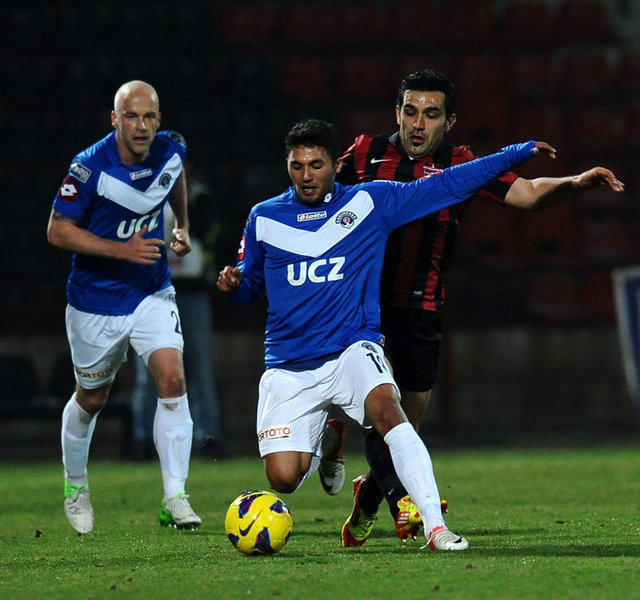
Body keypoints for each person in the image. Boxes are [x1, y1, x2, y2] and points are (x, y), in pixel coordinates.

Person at [216, 118, 578, 551]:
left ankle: (436, 529)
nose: (306, 175)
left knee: (389, 411)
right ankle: (327, 439)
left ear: (336, 165)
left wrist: (514, 152)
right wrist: (235, 283)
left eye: (316, 165)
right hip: (289, 363)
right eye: (297, 166)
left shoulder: (371, 201)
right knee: (284, 479)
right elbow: (250, 286)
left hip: (352, 348)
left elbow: (449, 184)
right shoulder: (264, 217)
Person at [337, 69, 626, 547]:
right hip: (364, 310)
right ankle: (407, 504)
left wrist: (577, 183)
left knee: (403, 430)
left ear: (449, 122)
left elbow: (527, 194)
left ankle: (368, 495)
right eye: (410, 111)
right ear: (397, 112)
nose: (418, 123)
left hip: (422, 308)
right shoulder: (366, 152)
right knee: (382, 411)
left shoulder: (461, 164)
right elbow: (318, 198)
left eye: (431, 114)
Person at [47, 80, 202, 534]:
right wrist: (121, 250)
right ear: (115, 119)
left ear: (159, 120)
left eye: (149, 116)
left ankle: (175, 497)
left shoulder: (171, 148)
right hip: (95, 301)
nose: (141, 126)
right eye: (131, 116)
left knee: (172, 378)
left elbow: (176, 174)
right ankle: (76, 485)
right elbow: (57, 230)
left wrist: (182, 225)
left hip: (150, 290)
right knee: (92, 398)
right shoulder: (88, 167)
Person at [131, 166, 224, 461]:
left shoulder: (200, 196)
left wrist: (182, 206)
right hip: (153, 294)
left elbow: (207, 232)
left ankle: (208, 437)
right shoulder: (143, 195)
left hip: (192, 292)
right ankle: (144, 440)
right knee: (149, 371)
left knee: (199, 369)